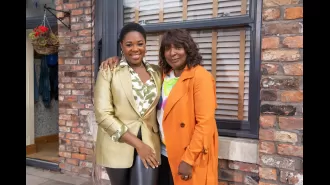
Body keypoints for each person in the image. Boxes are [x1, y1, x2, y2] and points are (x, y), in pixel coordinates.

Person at [101, 28, 219, 185]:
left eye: (178, 47)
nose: (173, 53)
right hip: (162, 152)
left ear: (188, 49)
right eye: (167, 48)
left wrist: (189, 160)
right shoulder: (163, 74)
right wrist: (118, 59)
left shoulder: (200, 77)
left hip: (188, 155)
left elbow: (206, 124)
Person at [93, 22, 161, 185]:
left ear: (145, 45)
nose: (135, 49)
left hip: (149, 142)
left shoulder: (157, 71)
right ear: (121, 46)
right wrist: (138, 144)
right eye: (129, 44)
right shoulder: (109, 71)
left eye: (140, 44)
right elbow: (102, 115)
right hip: (117, 143)